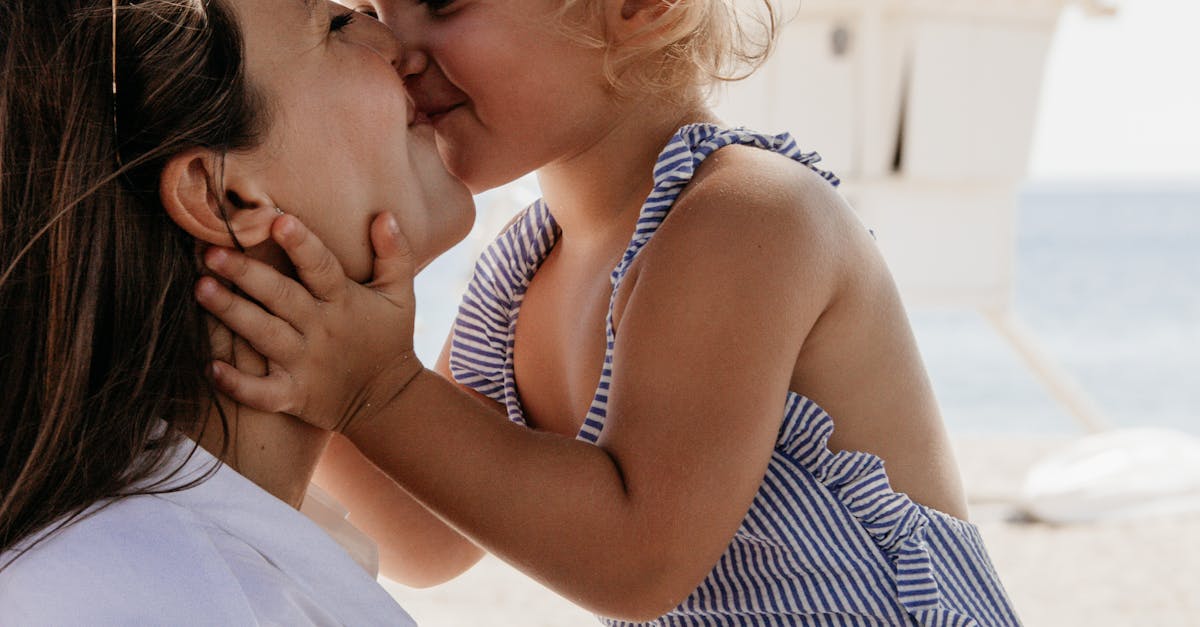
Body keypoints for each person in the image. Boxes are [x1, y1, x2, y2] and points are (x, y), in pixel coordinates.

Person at [199, 0, 1023, 624]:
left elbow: (639, 560)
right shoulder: (520, 273)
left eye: (443, 2)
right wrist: (306, 354)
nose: (396, 49)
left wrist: (372, 386)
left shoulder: (747, 219)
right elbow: (425, 536)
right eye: (376, 9)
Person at [0, 0, 473, 623]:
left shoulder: (170, 565)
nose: (393, 43)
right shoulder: (151, 595)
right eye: (334, 26)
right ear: (222, 195)